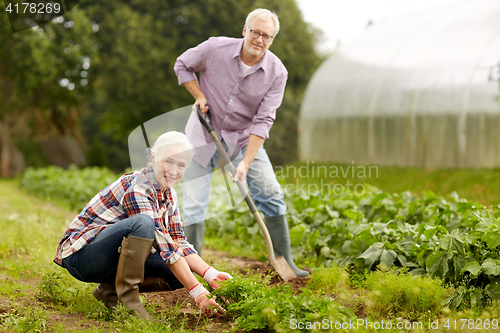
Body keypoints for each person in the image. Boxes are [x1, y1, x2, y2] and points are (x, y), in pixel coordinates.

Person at [174, 8, 309, 277]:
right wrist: (199, 95)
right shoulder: (215, 48)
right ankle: (191, 267)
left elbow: (263, 121)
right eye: (256, 32)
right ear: (245, 30)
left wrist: (245, 163)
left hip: (242, 139)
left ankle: (284, 260)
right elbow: (183, 64)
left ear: (272, 40)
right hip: (202, 134)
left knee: (270, 193)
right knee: (194, 203)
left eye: (267, 36)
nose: (260, 39)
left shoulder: (277, 73)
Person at [53, 131, 232, 320]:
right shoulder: (138, 186)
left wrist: (210, 274)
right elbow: (164, 243)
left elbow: (178, 241)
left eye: (181, 165)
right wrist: (198, 292)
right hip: (81, 255)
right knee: (144, 223)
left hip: (108, 257)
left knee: (177, 272)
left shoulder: (169, 194)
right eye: (168, 161)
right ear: (154, 157)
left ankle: (109, 291)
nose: (173, 170)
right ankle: (129, 302)